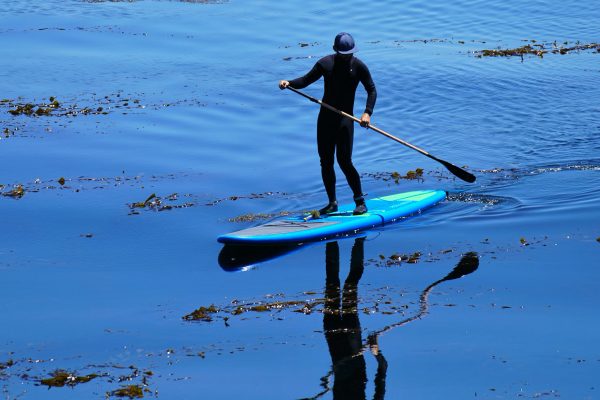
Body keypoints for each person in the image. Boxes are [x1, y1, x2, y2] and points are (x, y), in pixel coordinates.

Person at [279, 32, 377, 215]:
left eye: (349, 54)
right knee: (326, 162)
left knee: (345, 161)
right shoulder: (325, 63)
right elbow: (305, 80)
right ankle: (332, 203)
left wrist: (367, 113)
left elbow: (371, 90)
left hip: (346, 119)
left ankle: (360, 202)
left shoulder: (359, 66)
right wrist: (289, 82)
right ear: (335, 50)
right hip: (325, 119)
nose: (347, 57)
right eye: (343, 54)